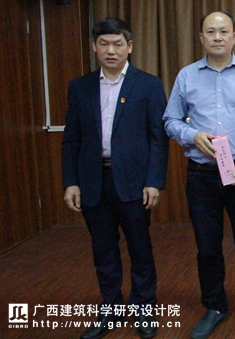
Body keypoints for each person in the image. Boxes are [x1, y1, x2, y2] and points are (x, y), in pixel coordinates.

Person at [163, 11, 235, 339]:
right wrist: (191, 134)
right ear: (201, 38)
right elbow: (170, 120)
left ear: (234, 37)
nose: (217, 37)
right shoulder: (186, 76)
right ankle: (214, 306)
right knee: (207, 246)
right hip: (201, 175)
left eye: (223, 31)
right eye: (210, 32)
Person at [62, 17, 168, 339]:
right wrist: (71, 181)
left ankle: (144, 307)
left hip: (134, 182)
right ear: (95, 47)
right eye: (104, 44)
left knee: (140, 247)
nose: (111, 50)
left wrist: (154, 181)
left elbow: (158, 139)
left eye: (118, 44)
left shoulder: (148, 85)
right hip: (93, 181)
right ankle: (110, 307)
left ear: (129, 46)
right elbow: (72, 139)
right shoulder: (79, 87)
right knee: (103, 249)